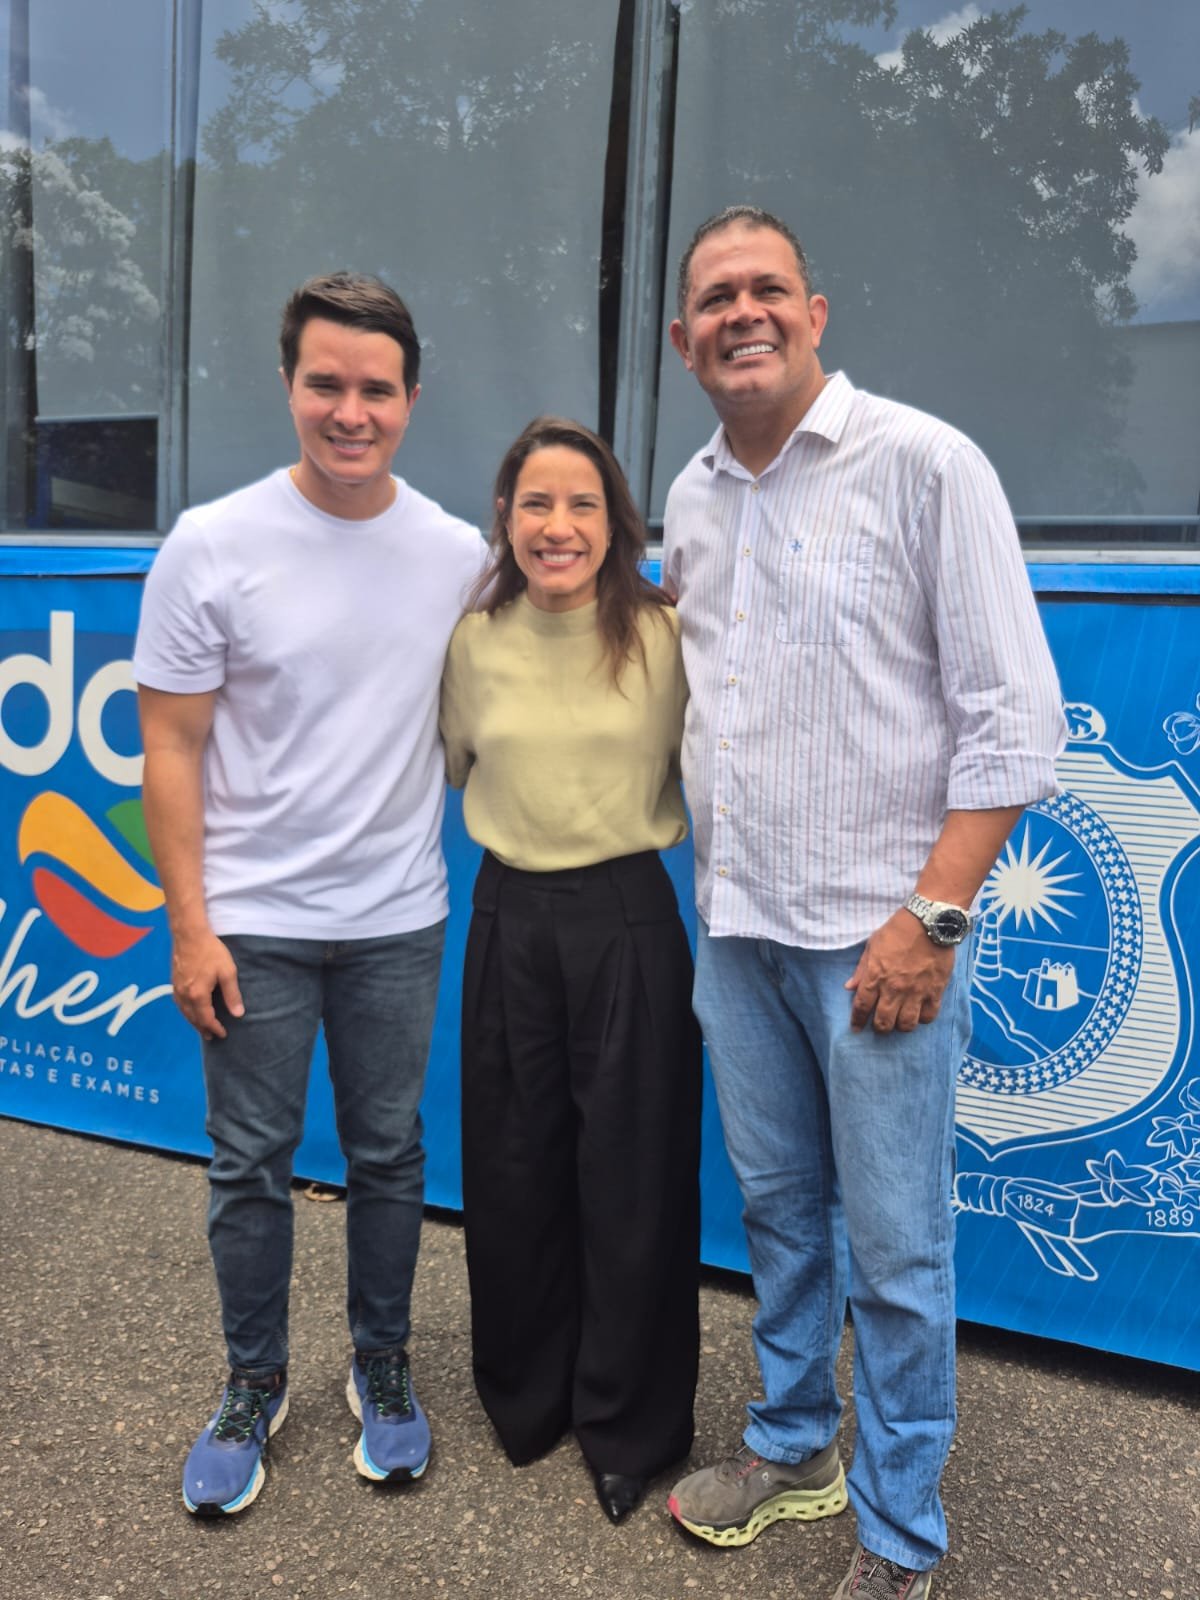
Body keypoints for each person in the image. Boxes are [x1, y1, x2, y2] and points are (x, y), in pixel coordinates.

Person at [660, 207, 1066, 1598]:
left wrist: (931, 920)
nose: (744, 312)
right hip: (739, 928)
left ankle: (900, 1537)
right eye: (717, 297)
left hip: (878, 941)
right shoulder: (693, 497)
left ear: (817, 313)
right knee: (778, 1213)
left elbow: (1016, 723)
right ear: (683, 340)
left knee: (897, 1249)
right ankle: (793, 1448)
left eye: (767, 288)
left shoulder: (925, 465)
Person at [134, 271, 484, 1517]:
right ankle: (254, 1380)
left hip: (397, 918)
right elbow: (167, 747)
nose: (351, 411)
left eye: (375, 389)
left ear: (411, 398)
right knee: (249, 1163)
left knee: (391, 1155)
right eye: (325, 383)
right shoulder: (210, 545)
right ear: (287, 384)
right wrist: (190, 924)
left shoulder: (456, 554)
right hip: (253, 929)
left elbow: (568, 625)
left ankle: (381, 1366)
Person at [439, 416, 702, 1525]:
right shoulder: (471, 641)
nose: (559, 525)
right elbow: (456, 766)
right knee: (511, 1166)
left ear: (615, 521)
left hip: (628, 916)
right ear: (505, 519)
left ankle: (626, 1422)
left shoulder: (668, 635)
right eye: (536, 503)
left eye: (582, 504)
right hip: (509, 913)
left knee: (633, 1180)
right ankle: (527, 1393)